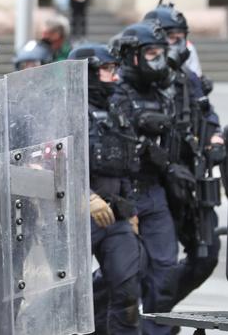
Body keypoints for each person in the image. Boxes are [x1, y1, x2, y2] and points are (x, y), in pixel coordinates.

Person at [143, 4, 225, 328]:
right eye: (170, 37)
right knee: (139, 267)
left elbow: (209, 117)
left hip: (191, 184)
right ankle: (141, 322)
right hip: (153, 186)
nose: (177, 43)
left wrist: (215, 140)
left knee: (205, 256)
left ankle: (156, 314)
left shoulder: (188, 79)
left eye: (181, 37)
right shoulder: (136, 81)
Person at [68, 44, 145, 334]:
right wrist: (85, 196)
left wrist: (131, 210)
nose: (114, 77)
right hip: (72, 218)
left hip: (113, 215)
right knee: (68, 300)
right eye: (107, 70)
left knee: (127, 295)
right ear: (86, 73)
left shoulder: (114, 112)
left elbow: (125, 163)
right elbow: (49, 165)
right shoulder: (62, 111)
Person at [110, 20, 179, 335]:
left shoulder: (163, 90)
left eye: (160, 52)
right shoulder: (114, 89)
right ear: (132, 55)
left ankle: (156, 331)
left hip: (155, 190)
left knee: (165, 269)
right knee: (126, 273)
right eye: (151, 52)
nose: (158, 59)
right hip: (124, 193)